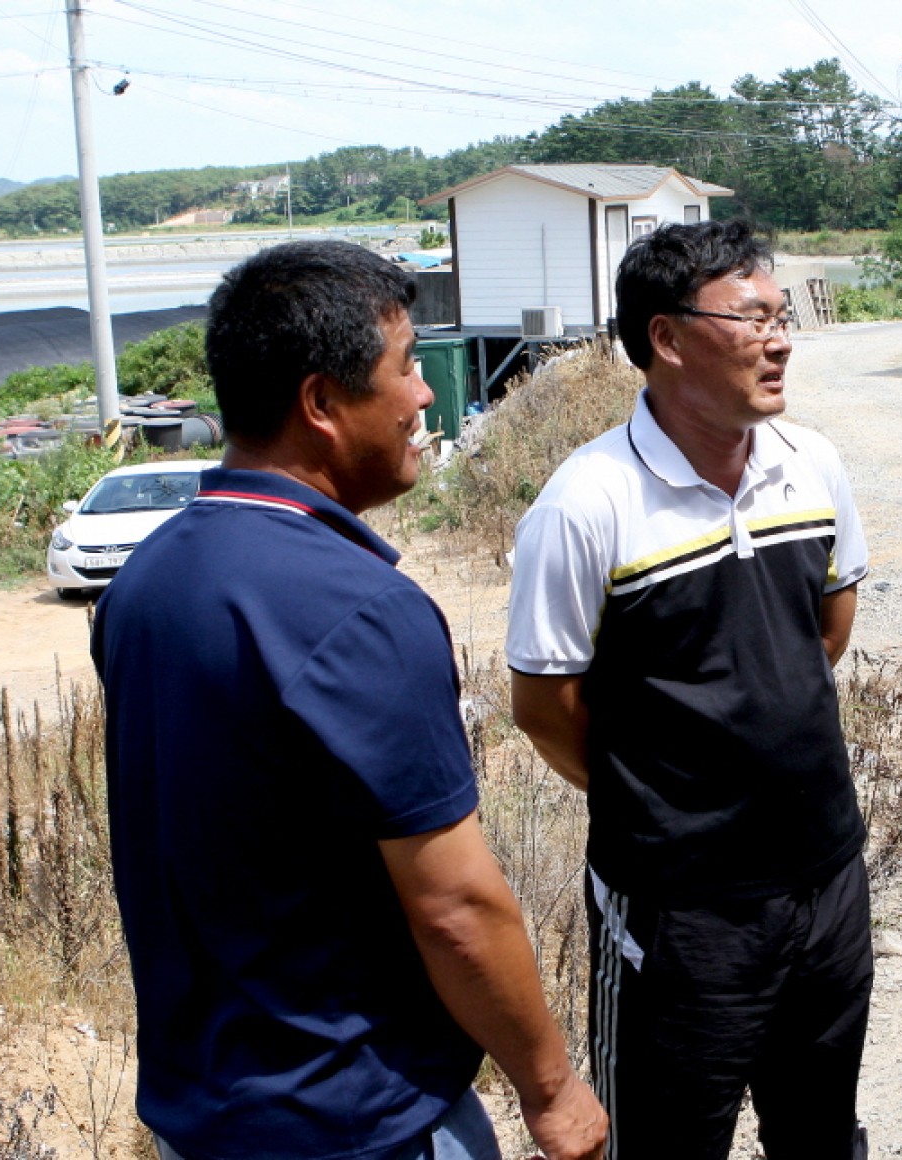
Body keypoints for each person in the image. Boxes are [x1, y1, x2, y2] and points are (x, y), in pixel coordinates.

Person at [93, 240, 607, 1160]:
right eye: (406, 367)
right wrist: (554, 1089)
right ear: (321, 404)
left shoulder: (148, 580)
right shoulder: (360, 609)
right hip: (362, 1117)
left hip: (203, 1118)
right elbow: (455, 906)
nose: (423, 396)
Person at [506, 219, 871, 1160]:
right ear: (667, 338)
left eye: (781, 316)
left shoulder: (813, 465)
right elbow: (545, 708)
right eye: (751, 318)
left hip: (826, 881)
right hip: (679, 913)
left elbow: (824, 633)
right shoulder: (586, 503)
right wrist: (664, 795)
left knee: (822, 1132)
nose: (779, 338)